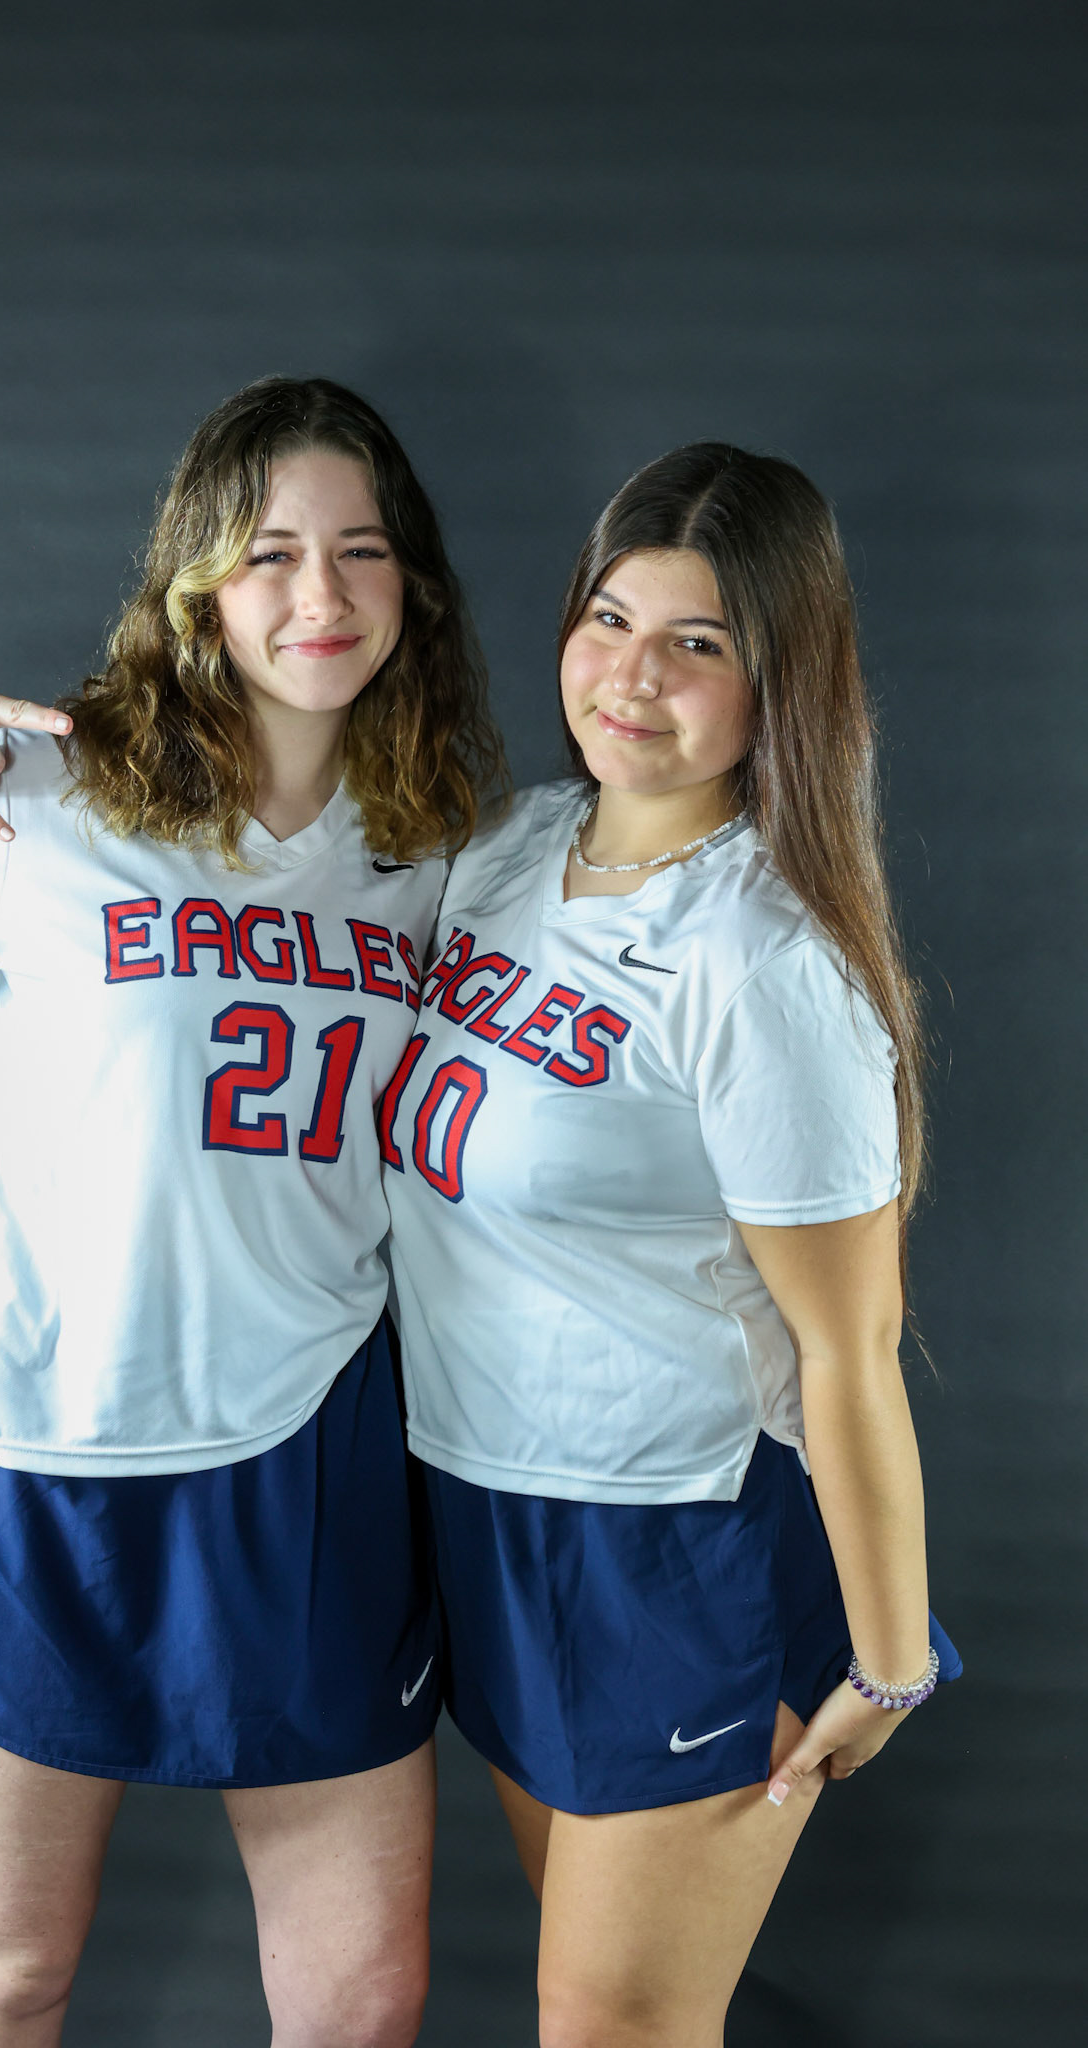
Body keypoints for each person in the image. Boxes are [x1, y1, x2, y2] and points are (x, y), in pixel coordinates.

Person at [0, 376, 505, 2048]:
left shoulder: (438, 844)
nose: (319, 593)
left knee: (361, 1998)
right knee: (11, 1972)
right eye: (271, 552)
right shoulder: (52, 791)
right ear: (199, 580)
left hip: (312, 1441)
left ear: (412, 584)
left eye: (361, 550)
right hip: (54, 1436)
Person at [380, 442, 961, 2047]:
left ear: (780, 680)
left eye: (695, 643)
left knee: (612, 2026)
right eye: (608, 620)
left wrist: (889, 1659)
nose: (631, 677)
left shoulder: (759, 960)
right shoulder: (506, 854)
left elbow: (846, 1345)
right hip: (485, 1511)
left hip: (674, 1538)